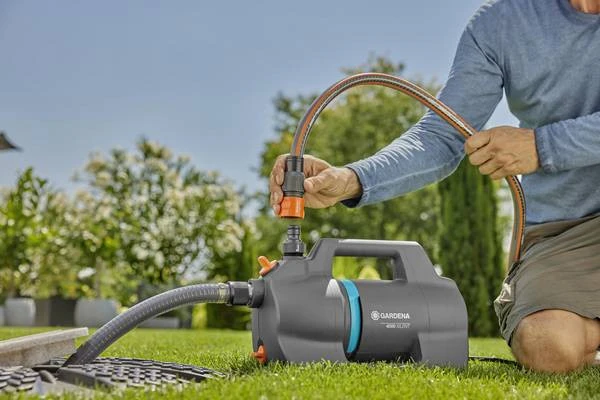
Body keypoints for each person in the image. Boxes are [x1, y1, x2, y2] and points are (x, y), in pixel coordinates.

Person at [269, 0, 600, 373]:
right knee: (546, 346)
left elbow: (543, 146)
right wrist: (350, 179)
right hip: (564, 231)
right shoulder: (504, 22)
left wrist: (542, 146)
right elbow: (440, 139)